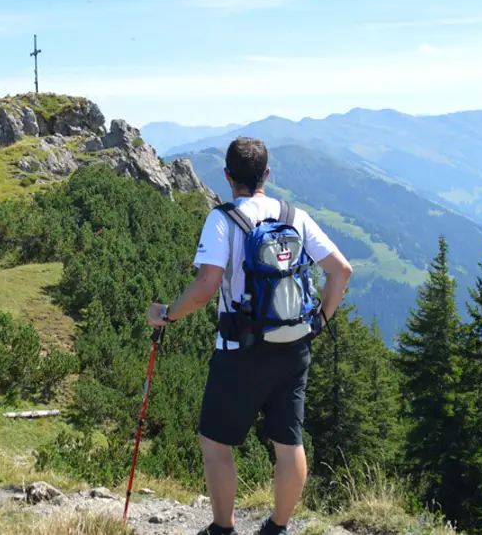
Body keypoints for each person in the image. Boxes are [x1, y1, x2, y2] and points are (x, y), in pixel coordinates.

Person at [147, 136, 353, 535]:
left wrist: (167, 316)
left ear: (227, 176)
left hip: (239, 349)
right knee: (288, 443)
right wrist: (319, 322)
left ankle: (223, 529)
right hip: (294, 345)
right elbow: (341, 271)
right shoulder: (295, 215)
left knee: (215, 442)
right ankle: (277, 528)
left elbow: (207, 286)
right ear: (267, 175)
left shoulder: (222, 220)